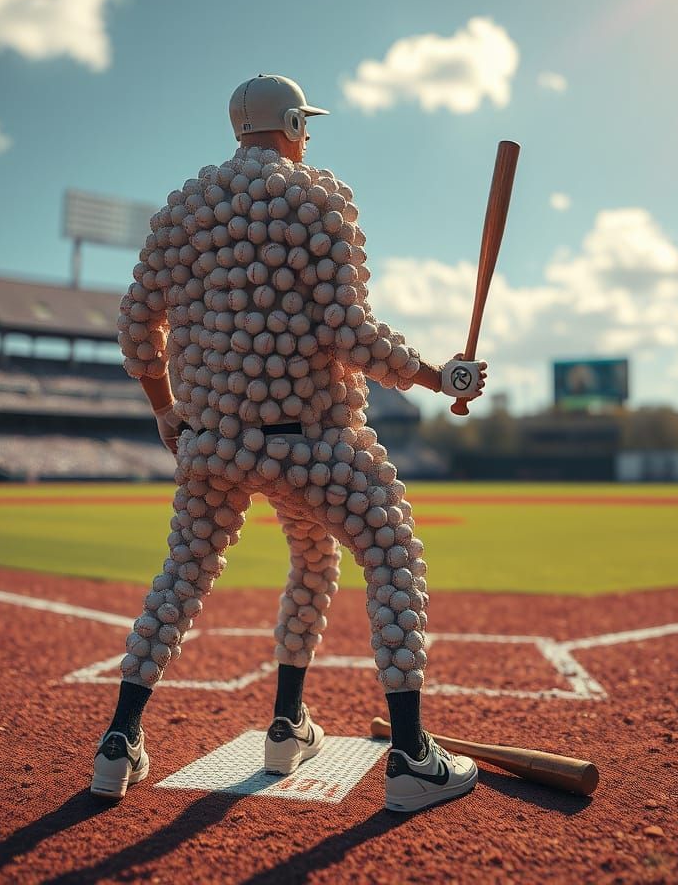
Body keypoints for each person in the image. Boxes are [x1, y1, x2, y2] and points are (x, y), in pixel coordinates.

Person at [91, 74, 487, 812]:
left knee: (196, 578)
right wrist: (441, 377)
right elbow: (351, 336)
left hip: (214, 444)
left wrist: (165, 411)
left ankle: (136, 739)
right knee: (392, 555)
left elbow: (139, 328)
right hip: (311, 444)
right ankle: (410, 756)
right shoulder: (316, 199)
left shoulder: (182, 209)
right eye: (308, 124)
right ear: (296, 124)